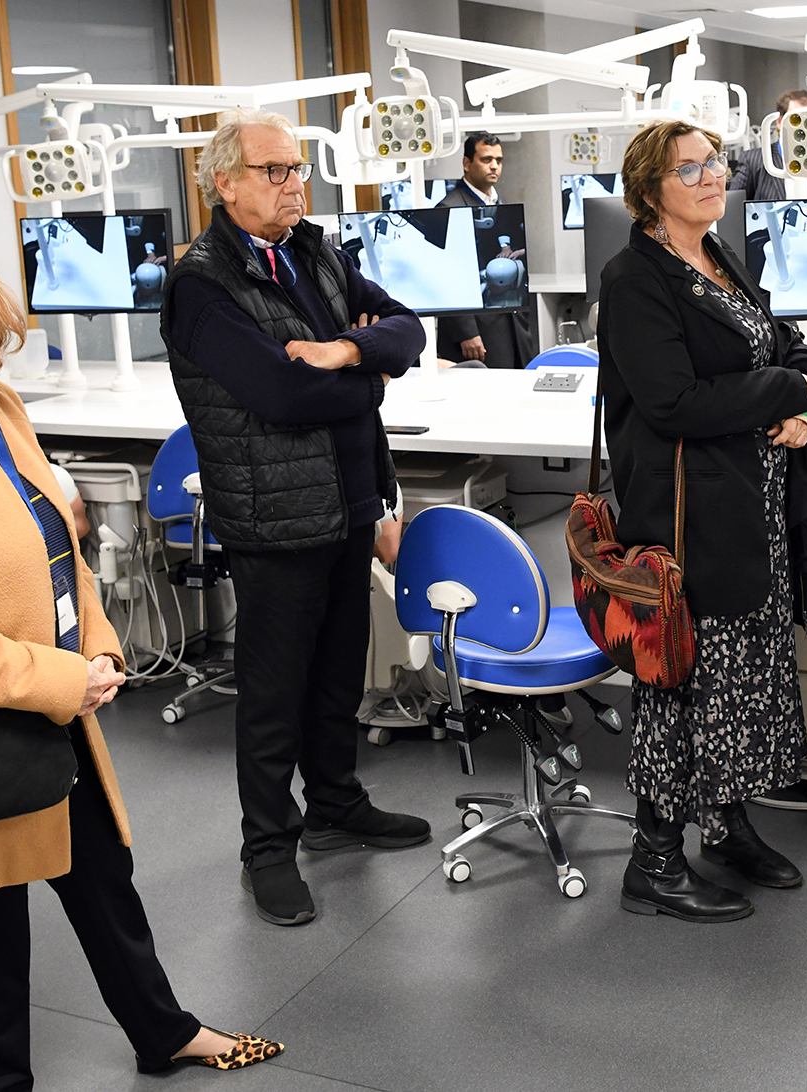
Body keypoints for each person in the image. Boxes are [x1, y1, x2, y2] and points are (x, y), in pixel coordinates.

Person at [0, 211, 283, 1087]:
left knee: (102, 874)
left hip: (47, 697)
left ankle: (163, 1033)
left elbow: (57, 550)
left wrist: (100, 649)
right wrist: (57, 679)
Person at [160, 109, 431, 927]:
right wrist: (370, 380)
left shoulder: (316, 251)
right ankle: (267, 849)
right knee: (274, 692)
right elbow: (279, 393)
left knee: (339, 671)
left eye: (297, 168)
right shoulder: (202, 283)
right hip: (273, 517)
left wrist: (346, 352)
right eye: (273, 170)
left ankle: (336, 805)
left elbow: (407, 331)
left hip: (348, 500)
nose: (292, 184)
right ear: (225, 183)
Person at [598, 119, 807, 924]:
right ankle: (654, 860)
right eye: (689, 168)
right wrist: (788, 391)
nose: (711, 178)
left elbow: (775, 344)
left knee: (742, 677)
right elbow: (673, 403)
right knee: (683, 680)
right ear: (648, 190)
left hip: (748, 502)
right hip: (686, 515)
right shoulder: (636, 278)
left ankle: (726, 823)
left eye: (715, 163)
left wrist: (802, 396)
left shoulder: (714, 255)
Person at [435, 132, 535, 368]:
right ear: (467, 163)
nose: (494, 166)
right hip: (478, 328)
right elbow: (447, 275)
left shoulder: (500, 201)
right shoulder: (449, 207)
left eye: (498, 160)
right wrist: (466, 332)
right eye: (486, 159)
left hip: (511, 316)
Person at [728, 90, 807, 204]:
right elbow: (734, 207)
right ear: (780, 122)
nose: (804, 127)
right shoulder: (754, 161)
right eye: (796, 119)